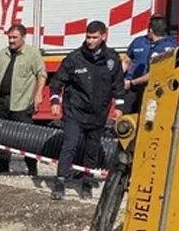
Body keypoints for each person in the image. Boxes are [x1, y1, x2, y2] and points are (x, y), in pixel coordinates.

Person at [49, 21, 124, 201]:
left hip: (98, 112)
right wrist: (54, 101)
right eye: (88, 37)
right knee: (70, 144)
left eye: (94, 37)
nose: (90, 41)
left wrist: (119, 108)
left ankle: (87, 183)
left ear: (104, 36)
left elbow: (118, 86)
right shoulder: (74, 58)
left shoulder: (112, 60)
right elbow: (57, 82)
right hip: (75, 110)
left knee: (92, 148)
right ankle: (60, 181)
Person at [0, 25, 47, 176]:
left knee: (26, 136)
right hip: (2, 101)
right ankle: (3, 163)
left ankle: (32, 166)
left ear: (23, 37)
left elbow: (42, 74)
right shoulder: (3, 53)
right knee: (1, 134)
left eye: (15, 38)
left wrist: (38, 95)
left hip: (21, 102)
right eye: (10, 37)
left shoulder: (32, 54)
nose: (11, 41)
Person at [123, 15, 177, 113]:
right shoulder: (138, 42)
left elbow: (154, 74)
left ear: (150, 30)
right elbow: (126, 61)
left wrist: (131, 83)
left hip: (155, 90)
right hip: (134, 90)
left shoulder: (167, 46)